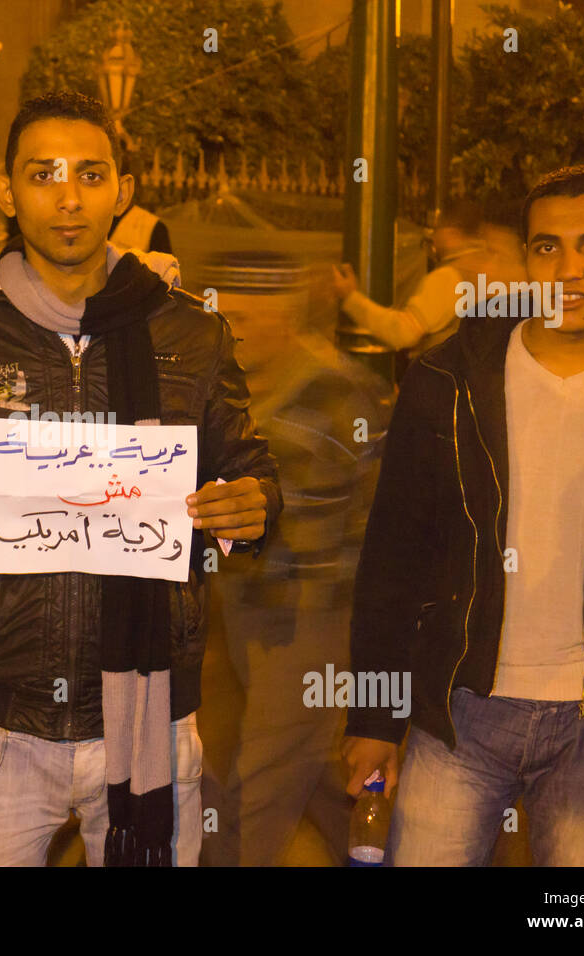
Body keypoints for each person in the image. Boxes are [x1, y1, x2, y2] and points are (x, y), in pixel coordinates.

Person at [0, 90, 282, 867]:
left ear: (123, 190)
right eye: (43, 174)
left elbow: (247, 468)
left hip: (153, 726)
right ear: (7, 192)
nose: (69, 196)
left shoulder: (190, 332)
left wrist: (255, 505)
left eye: (90, 173)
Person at [342, 165, 584, 866]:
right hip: (455, 715)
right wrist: (372, 717)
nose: (569, 269)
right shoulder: (446, 382)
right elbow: (391, 562)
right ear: (524, 258)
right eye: (548, 247)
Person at [198, 254, 389, 866]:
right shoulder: (239, 389)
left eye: (251, 313)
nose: (237, 326)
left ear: (288, 312)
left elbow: (380, 521)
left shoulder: (337, 391)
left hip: (312, 625)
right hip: (251, 613)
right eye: (227, 314)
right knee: (327, 782)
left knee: (259, 787)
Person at [330, 201, 527, 356]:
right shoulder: (502, 268)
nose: (432, 236)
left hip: (451, 392)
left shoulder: (450, 277)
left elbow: (402, 333)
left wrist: (351, 298)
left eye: (436, 229)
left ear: (451, 233)